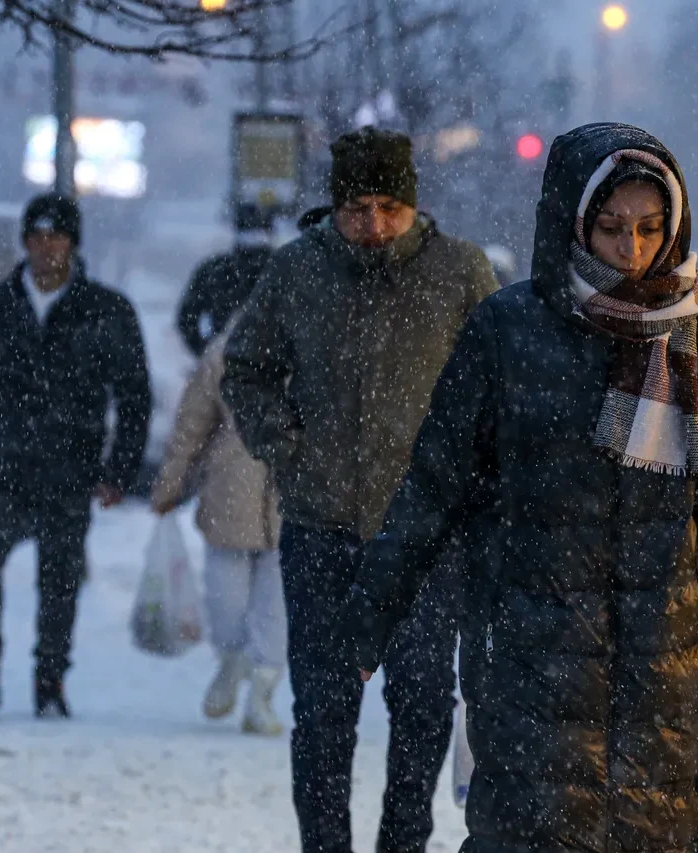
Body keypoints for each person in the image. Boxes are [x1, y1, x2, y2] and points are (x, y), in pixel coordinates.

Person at [340, 123, 698, 853]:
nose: (632, 249)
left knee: (647, 831)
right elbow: (434, 484)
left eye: (649, 228)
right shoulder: (508, 328)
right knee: (532, 832)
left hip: (660, 652)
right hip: (532, 644)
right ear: (572, 219)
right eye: (611, 228)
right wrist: (370, 614)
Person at [221, 126, 498, 853]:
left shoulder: (460, 273)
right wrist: (288, 452)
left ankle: (403, 840)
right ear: (333, 208)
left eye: (386, 207)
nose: (371, 225)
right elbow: (244, 369)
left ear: (411, 204)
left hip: (425, 538)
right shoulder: (297, 273)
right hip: (323, 526)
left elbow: (501, 390)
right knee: (322, 711)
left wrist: (472, 477)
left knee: (424, 703)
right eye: (355, 209)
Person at [0, 193, 152, 718]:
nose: (45, 247)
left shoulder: (105, 310)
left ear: (73, 243)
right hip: (2, 463)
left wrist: (119, 470)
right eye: (36, 237)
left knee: (58, 580)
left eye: (55, 236)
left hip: (69, 466)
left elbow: (133, 395)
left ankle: (50, 680)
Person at [151, 322, 285, 736]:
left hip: (296, 496)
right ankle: (231, 660)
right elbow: (192, 425)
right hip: (230, 491)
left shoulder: (325, 345)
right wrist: (171, 482)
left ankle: (261, 691)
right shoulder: (226, 352)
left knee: (276, 608)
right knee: (225, 599)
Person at [177, 203, 273, 356]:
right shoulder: (284, 270)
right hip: (276, 366)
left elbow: (186, 318)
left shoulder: (216, 269)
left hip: (227, 363)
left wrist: (206, 352)